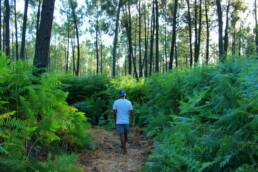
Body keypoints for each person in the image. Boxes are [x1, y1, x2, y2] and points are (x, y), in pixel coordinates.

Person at [112, 90, 133, 154]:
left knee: (122, 135)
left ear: (119, 95)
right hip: (126, 121)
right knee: (125, 134)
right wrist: (131, 122)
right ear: (125, 95)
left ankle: (124, 149)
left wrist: (115, 120)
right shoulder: (129, 102)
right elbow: (131, 113)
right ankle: (124, 146)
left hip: (119, 121)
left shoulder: (116, 102)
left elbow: (114, 112)